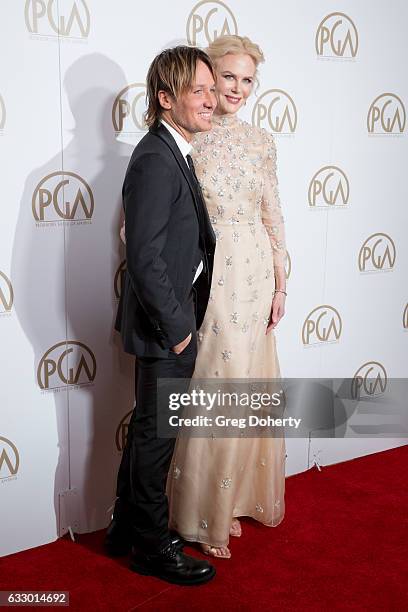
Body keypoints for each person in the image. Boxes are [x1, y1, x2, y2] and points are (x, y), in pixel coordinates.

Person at [166, 35, 287, 559]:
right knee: (216, 388)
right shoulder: (191, 137)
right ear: (209, 80)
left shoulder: (262, 142)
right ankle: (198, 515)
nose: (236, 89)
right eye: (227, 78)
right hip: (212, 277)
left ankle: (232, 500)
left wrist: (282, 282)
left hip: (257, 274)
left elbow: (273, 215)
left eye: (246, 80)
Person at [106, 46, 217, 585]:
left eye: (212, 89)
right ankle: (151, 547)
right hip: (164, 329)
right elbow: (143, 256)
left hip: (169, 323)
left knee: (150, 432)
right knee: (156, 440)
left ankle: (125, 529)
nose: (211, 100)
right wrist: (178, 334)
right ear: (165, 98)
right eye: (198, 90)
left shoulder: (173, 151)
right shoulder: (155, 157)